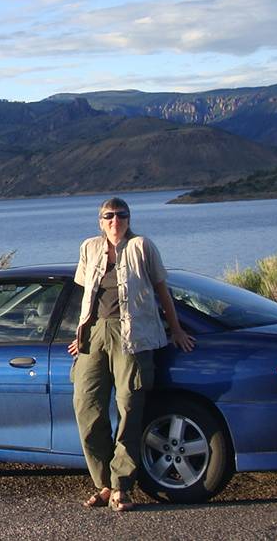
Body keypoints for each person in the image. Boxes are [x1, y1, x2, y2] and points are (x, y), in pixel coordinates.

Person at [69, 197, 195, 512]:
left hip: (132, 337)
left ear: (128, 219)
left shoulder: (142, 247)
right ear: (100, 221)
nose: (115, 221)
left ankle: (121, 486)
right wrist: (80, 334)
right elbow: (85, 294)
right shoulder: (89, 248)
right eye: (109, 216)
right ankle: (102, 484)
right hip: (95, 333)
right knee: (86, 406)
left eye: (121, 215)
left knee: (129, 405)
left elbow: (161, 290)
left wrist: (176, 329)